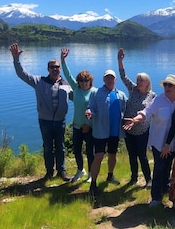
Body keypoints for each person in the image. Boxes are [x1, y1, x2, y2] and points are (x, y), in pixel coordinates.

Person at [9, 42, 72, 181]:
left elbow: (79, 98)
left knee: (60, 147)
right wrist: (16, 59)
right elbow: (22, 74)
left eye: (57, 67)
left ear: (60, 69)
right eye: (52, 67)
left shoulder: (66, 84)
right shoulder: (39, 81)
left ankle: (61, 171)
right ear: (48, 69)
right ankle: (49, 172)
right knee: (48, 147)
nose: (55, 69)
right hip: (45, 121)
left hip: (60, 121)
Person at [123, 74, 175, 207]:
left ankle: (164, 189)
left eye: (170, 85)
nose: (167, 87)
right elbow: (146, 112)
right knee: (159, 168)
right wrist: (135, 119)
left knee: (168, 168)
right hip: (159, 143)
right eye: (165, 85)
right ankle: (156, 198)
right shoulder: (158, 100)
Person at [85, 69, 127, 197]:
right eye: (107, 78)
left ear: (115, 80)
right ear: (104, 79)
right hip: (100, 131)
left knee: (113, 155)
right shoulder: (96, 93)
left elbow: (126, 110)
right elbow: (91, 107)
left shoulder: (121, 95)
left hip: (115, 131)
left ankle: (110, 175)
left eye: (111, 78)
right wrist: (89, 113)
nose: (109, 80)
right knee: (98, 156)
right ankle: (93, 183)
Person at [118, 48, 156, 187]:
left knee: (142, 156)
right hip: (128, 129)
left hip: (141, 131)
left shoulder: (152, 96)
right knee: (132, 156)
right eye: (138, 80)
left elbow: (155, 112)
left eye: (141, 80)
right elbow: (123, 76)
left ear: (147, 83)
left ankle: (148, 180)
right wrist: (120, 61)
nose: (138, 82)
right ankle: (134, 178)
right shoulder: (133, 89)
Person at [61, 47, 97, 182]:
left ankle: (91, 174)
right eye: (81, 81)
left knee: (90, 152)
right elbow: (67, 74)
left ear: (90, 81)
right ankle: (80, 170)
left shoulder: (95, 92)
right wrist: (63, 60)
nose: (83, 83)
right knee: (77, 151)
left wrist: (89, 124)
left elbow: (96, 110)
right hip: (77, 126)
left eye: (86, 81)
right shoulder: (75, 89)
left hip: (89, 128)